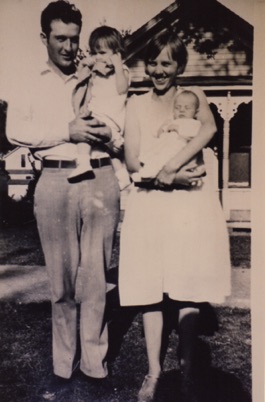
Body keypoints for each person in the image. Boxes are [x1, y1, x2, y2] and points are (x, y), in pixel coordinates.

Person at [6, 1, 121, 399]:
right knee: (62, 282)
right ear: (44, 38)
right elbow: (17, 130)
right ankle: (62, 362)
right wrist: (67, 131)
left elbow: (118, 122)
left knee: (95, 278)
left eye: (74, 39)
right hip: (54, 179)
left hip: (101, 177)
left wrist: (106, 129)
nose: (69, 47)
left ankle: (94, 362)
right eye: (60, 39)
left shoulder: (100, 73)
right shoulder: (27, 78)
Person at [118, 30, 231, 402]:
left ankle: (186, 375)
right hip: (150, 199)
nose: (158, 70)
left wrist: (171, 168)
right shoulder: (135, 103)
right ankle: (153, 373)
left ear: (179, 65)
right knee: (149, 289)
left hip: (187, 205)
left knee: (186, 288)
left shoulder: (194, 97)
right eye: (152, 62)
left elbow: (209, 130)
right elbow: (132, 159)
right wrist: (165, 178)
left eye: (166, 62)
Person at [67, 25, 131, 189]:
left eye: (102, 53)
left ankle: (82, 162)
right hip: (98, 114)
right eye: (94, 53)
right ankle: (122, 175)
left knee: (85, 135)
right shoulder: (95, 72)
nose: (97, 57)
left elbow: (122, 88)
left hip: (112, 118)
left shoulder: (122, 71)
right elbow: (89, 91)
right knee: (107, 150)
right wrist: (84, 107)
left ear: (117, 54)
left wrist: (117, 66)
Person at [131, 89, 204, 183]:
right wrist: (163, 128)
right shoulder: (172, 121)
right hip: (165, 148)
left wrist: (178, 129)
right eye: (178, 107)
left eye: (187, 108)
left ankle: (147, 175)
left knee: (161, 162)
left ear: (195, 111)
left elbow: (193, 135)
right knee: (154, 158)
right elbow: (159, 135)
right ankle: (143, 173)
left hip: (179, 151)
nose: (182, 110)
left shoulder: (194, 123)